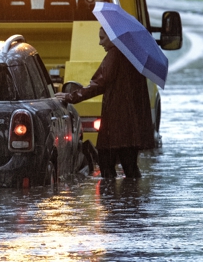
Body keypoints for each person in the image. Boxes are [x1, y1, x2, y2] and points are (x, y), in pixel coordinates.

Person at [55, 27, 155, 180]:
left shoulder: (115, 54)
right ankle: (132, 200)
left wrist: (71, 96)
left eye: (102, 38)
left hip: (115, 125)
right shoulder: (133, 56)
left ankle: (111, 202)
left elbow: (99, 83)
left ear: (113, 37)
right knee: (131, 169)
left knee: (107, 168)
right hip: (131, 126)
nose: (100, 42)